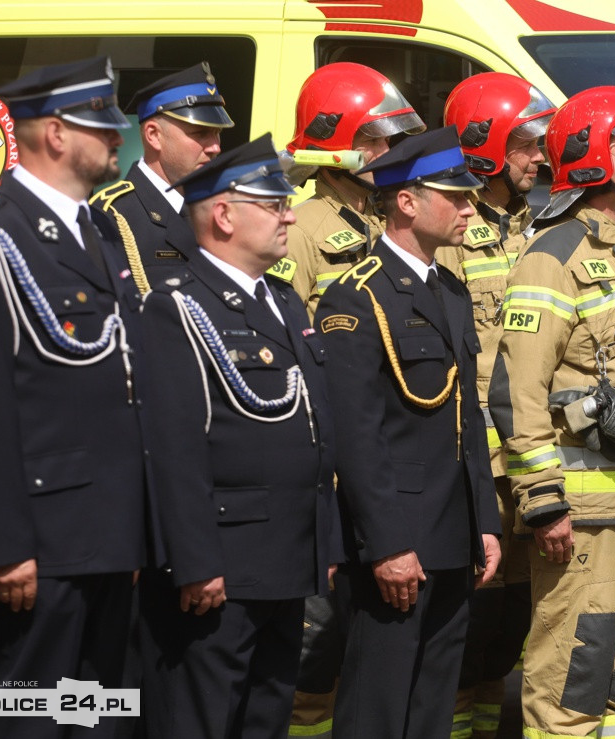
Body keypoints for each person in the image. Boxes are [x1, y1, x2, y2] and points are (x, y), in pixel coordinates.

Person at [489, 86, 615, 739]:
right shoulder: (551, 256)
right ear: (589, 160)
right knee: (571, 678)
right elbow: (518, 389)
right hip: (582, 512)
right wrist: (544, 499)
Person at [0, 56, 145, 739]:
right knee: (27, 720)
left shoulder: (93, 231)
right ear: (58, 135)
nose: (118, 137)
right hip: (41, 542)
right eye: (105, 125)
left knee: (96, 717)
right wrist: (3, 545)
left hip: (106, 537)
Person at [136, 134, 339, 739]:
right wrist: (195, 560)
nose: (291, 215)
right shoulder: (177, 306)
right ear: (223, 214)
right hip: (220, 567)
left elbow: (314, 430)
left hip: (287, 557)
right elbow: (171, 448)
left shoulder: (283, 300)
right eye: (274, 204)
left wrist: (322, 546)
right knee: (202, 720)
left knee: (264, 718)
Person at [315, 125, 501, 739]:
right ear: (406, 201)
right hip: (397, 537)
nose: (471, 207)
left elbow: (466, 416)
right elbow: (356, 435)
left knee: (433, 706)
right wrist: (388, 544)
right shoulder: (356, 295)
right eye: (456, 195)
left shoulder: (447, 287)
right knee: (377, 705)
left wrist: (485, 523)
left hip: (453, 530)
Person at [281, 61, 426, 739]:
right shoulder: (304, 227)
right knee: (317, 651)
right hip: (329, 473)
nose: (389, 154)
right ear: (336, 144)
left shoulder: (377, 223)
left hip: (381, 466)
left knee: (362, 646)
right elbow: (290, 346)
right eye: (378, 141)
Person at [440, 71, 556, 739]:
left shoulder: (534, 228)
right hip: (477, 468)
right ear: (483, 145)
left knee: (505, 632)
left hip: (527, 464)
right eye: (527, 145)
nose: (539, 158)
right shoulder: (452, 230)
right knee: (468, 628)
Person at [284, 62, 425, 317]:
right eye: (371, 140)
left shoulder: (389, 220)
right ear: (331, 145)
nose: (385, 153)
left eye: (387, 140)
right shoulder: (298, 233)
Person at [91, 61, 234, 292]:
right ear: (154, 135)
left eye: (217, 133)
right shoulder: (110, 217)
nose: (215, 147)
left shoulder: (214, 210)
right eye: (201, 133)